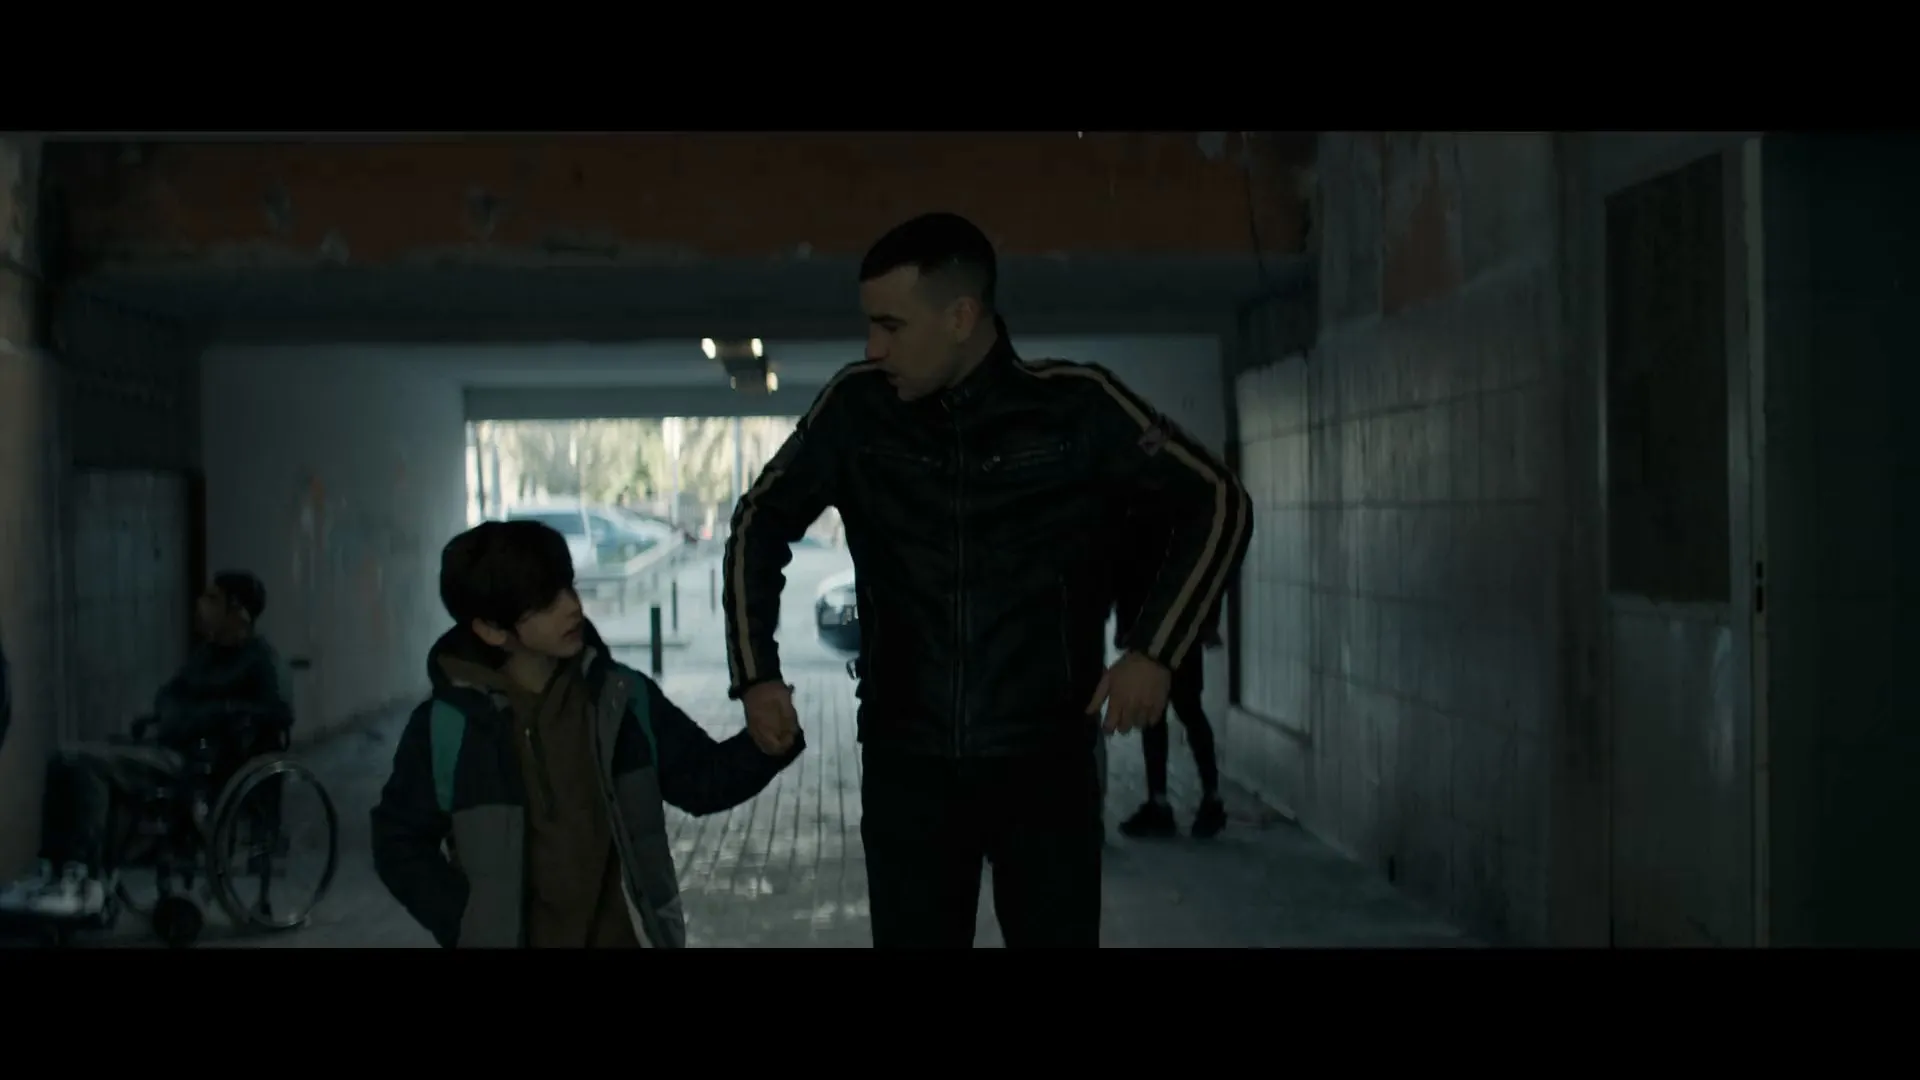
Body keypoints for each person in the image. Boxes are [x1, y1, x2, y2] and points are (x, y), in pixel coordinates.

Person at [723, 212, 1254, 948]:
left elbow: (1218, 501)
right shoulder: (857, 409)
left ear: (961, 316)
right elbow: (758, 521)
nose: (873, 348)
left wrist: (1155, 650)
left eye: (891, 325)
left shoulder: (1076, 406)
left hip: (1046, 768)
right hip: (907, 766)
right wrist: (756, 677)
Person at [370, 519, 802, 949]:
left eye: (568, 586)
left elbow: (702, 781)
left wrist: (764, 745)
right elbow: (398, 841)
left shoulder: (622, 699)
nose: (572, 606)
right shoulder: (448, 727)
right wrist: (467, 923)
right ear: (490, 628)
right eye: (546, 601)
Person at [0, 571, 290, 920]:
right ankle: (53, 869)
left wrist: (218, 713)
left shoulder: (261, 660)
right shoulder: (206, 654)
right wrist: (173, 715)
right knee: (62, 759)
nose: (201, 605)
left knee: (84, 764)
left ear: (239, 612)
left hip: (202, 763)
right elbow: (169, 695)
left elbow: (279, 712)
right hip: (170, 746)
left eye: (213, 599)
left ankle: (80, 875)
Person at [1113, 507, 1229, 839]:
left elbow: (1127, 574)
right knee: (1189, 708)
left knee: (1156, 713)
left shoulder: (1138, 515)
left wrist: (1124, 628)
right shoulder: (1184, 515)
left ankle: (1161, 803)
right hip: (1182, 626)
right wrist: (1208, 621)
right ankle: (1210, 797)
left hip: (1152, 626)